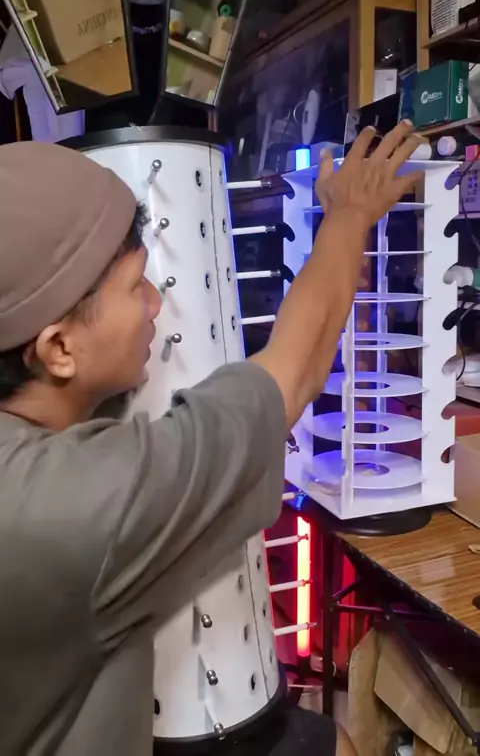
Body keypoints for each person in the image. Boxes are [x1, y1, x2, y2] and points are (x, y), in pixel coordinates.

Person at [0, 122, 423, 756]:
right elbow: (293, 374)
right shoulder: (69, 509)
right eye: (136, 286)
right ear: (58, 348)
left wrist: (331, 272)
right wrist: (350, 215)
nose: (156, 304)